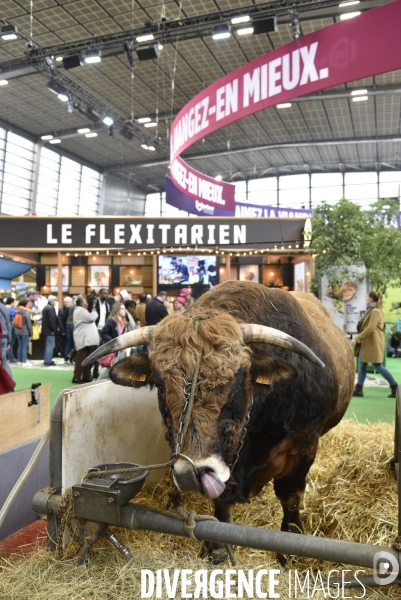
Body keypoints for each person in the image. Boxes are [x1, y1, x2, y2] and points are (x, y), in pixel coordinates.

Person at [353, 291, 398, 398]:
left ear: (371, 299)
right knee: (362, 365)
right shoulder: (371, 310)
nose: (365, 298)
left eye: (367, 297)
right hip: (368, 342)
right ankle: (359, 389)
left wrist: (357, 338)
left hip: (372, 343)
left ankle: (394, 386)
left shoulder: (375, 311)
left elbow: (370, 328)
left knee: (377, 366)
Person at [72, 296, 99, 384]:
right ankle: (76, 377)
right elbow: (91, 318)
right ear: (81, 303)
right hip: (83, 338)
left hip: (84, 337)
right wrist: (94, 312)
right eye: (85, 301)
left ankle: (86, 376)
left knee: (85, 358)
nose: (87, 303)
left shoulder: (79, 310)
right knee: (81, 358)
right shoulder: (81, 310)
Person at [13, 299, 32, 366]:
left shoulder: (17, 311)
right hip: (25, 332)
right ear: (25, 304)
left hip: (17, 331)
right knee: (24, 347)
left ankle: (19, 361)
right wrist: (31, 333)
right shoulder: (26, 312)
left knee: (20, 346)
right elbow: (28, 324)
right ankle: (24, 361)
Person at [41, 295, 59, 366]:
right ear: (52, 301)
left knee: (48, 345)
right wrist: (53, 329)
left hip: (46, 330)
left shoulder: (46, 308)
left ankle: (47, 359)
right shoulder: (51, 308)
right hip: (49, 330)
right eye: (55, 301)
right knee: (50, 346)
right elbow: (52, 320)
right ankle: (48, 360)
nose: (55, 302)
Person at [58, 296, 73, 365]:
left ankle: (72, 359)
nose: (67, 303)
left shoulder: (73, 309)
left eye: (68, 302)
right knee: (66, 344)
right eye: (65, 302)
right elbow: (60, 321)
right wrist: (62, 330)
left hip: (72, 329)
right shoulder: (61, 310)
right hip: (65, 329)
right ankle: (66, 359)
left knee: (73, 344)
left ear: (71, 302)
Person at [0, 298, 12, 378]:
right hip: (4, 336)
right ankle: (10, 384)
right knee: (4, 362)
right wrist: (9, 340)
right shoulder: (4, 307)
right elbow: (9, 325)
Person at [5, 298, 17, 363]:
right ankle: (11, 357)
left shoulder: (3, 309)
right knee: (10, 343)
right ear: (11, 302)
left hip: (4, 328)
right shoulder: (11, 311)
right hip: (10, 328)